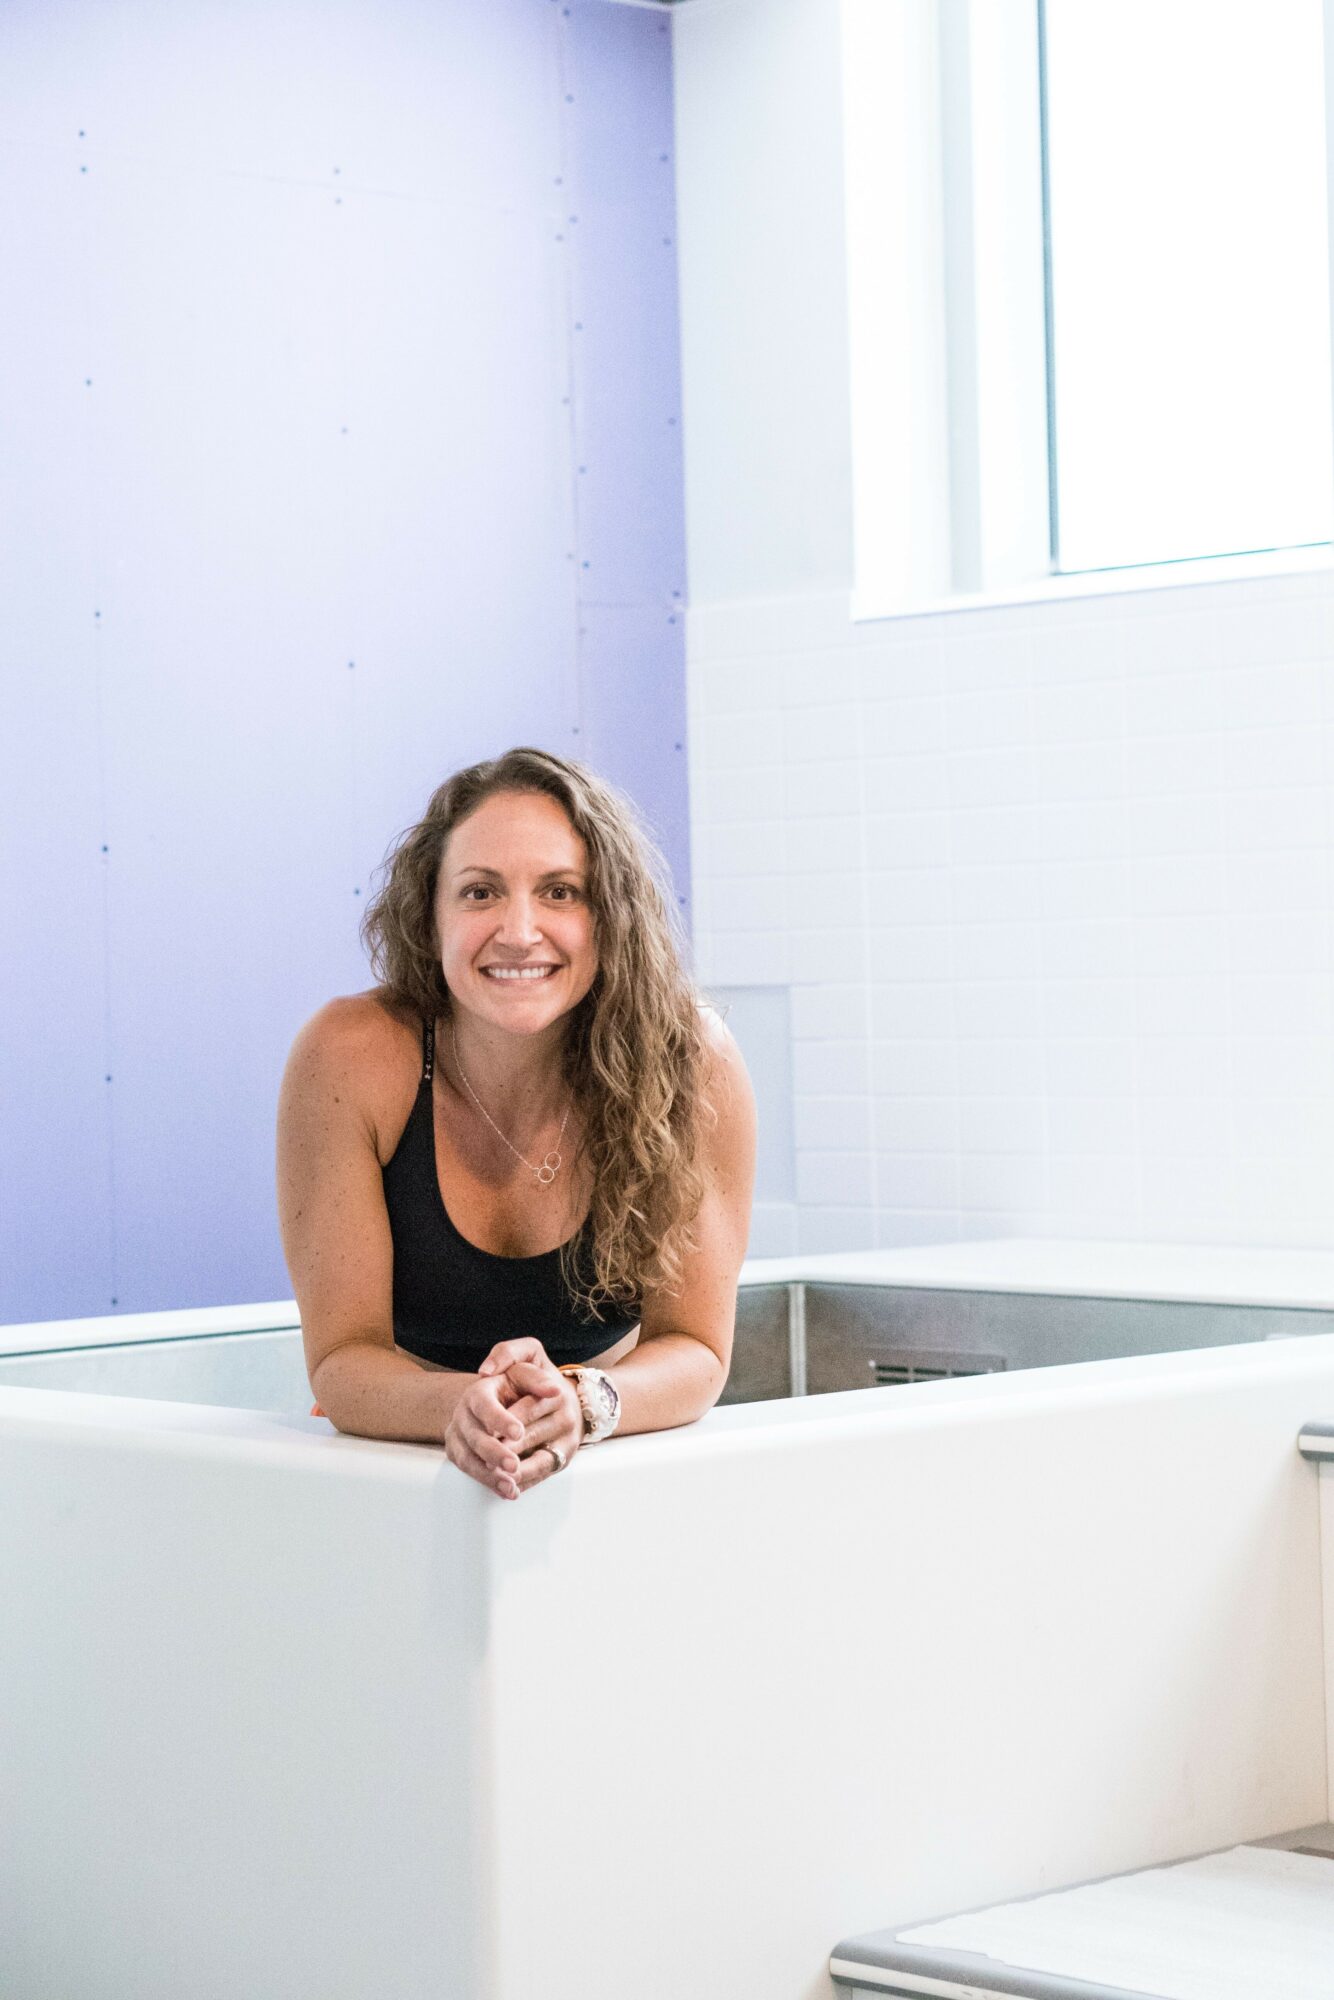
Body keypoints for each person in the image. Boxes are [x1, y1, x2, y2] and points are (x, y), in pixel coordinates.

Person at [276, 747, 756, 1499]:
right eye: (480, 893)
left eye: (561, 891)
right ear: (428, 915)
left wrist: (578, 1401)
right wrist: (457, 1408)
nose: (520, 931)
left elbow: (695, 1349)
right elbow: (344, 1359)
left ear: (611, 915)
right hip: (396, 1476)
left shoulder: (691, 1063)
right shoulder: (348, 1058)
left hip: (611, 1463)